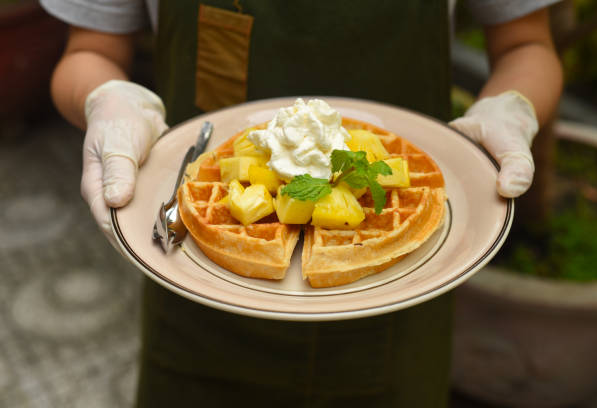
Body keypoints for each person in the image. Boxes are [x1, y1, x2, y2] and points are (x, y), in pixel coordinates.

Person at [41, 1, 563, 406]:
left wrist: (512, 108)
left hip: (399, 313)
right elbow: (89, 52)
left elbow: (526, 45)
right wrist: (106, 99)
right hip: (196, 303)